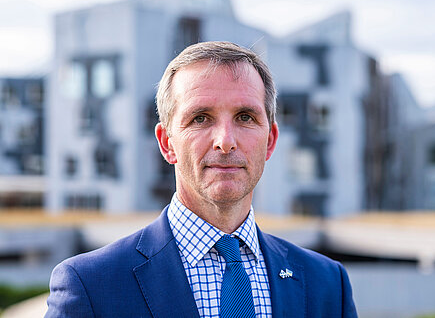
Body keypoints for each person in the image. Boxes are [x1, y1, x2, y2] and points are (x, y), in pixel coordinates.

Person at [46, 41, 358, 317]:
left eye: (245, 117)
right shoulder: (91, 285)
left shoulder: (327, 284)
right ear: (167, 143)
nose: (225, 141)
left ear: (271, 141)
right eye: (200, 118)